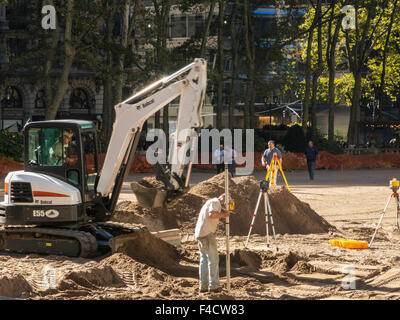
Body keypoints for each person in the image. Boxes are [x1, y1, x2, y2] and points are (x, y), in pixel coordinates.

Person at [194, 194, 230, 293]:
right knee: (213, 259)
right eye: (227, 201)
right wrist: (224, 215)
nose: (226, 204)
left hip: (200, 233)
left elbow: (212, 213)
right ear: (223, 197)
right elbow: (212, 214)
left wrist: (222, 212)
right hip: (207, 233)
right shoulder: (215, 202)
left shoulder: (210, 202)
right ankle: (214, 285)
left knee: (204, 260)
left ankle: (204, 286)